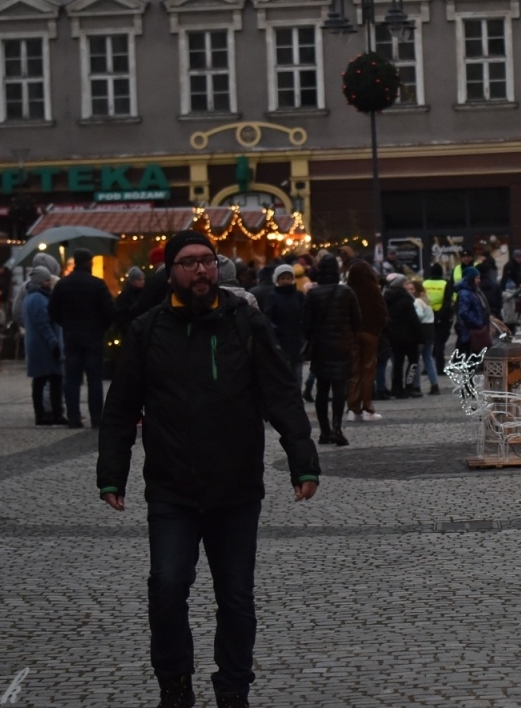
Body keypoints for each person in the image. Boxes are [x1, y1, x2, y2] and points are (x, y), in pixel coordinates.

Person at [97, 229, 319, 708]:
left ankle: (233, 686)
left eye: (207, 260)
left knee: (236, 597)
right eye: (188, 262)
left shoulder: (245, 323)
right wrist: (112, 472)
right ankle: (175, 684)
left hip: (236, 486)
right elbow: (120, 408)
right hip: (171, 487)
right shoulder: (148, 330)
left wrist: (303, 461)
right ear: (171, 271)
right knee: (167, 586)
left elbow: (280, 392)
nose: (200, 269)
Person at [49, 250, 116, 428]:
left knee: (72, 379)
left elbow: (53, 310)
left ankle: (73, 417)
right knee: (94, 380)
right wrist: (102, 327)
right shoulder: (97, 284)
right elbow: (110, 311)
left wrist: (65, 323)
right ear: (88, 263)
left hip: (71, 336)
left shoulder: (63, 285)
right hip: (93, 336)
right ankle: (96, 417)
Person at [301, 254, 358, 445]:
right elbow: (357, 321)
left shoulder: (313, 295)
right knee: (340, 388)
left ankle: (324, 430)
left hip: (321, 347)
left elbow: (306, 325)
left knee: (322, 390)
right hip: (342, 345)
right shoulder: (347, 292)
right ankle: (337, 428)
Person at [22, 264, 65, 426]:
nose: (49, 282)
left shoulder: (29, 297)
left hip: (36, 345)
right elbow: (44, 324)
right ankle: (54, 414)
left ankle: (42, 414)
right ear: (41, 282)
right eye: (47, 280)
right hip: (44, 346)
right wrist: (54, 344)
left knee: (39, 381)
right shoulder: (39, 299)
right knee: (53, 380)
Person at [345, 261, 387, 420]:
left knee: (354, 370)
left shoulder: (349, 290)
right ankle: (367, 407)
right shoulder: (373, 289)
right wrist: (377, 329)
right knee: (368, 370)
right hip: (370, 333)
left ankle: (352, 408)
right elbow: (382, 311)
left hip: (354, 334)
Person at [261, 265, 306, 391]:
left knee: (297, 374)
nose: (286, 281)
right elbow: (268, 318)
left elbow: (305, 315)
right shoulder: (272, 296)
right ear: (277, 280)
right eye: (283, 278)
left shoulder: (299, 296)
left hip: (297, 341)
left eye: (288, 278)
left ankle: (297, 400)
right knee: (284, 375)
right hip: (281, 342)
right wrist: (276, 333)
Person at [383, 273, 424, 397]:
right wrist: (420, 335)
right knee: (413, 361)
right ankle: (409, 386)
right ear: (401, 285)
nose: (408, 286)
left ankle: (397, 388)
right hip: (409, 336)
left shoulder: (387, 298)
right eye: (406, 283)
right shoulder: (406, 300)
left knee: (398, 362)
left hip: (394, 336)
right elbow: (413, 319)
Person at [409, 279, 440, 395]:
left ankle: (417, 386)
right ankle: (434, 384)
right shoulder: (426, 300)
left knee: (416, 359)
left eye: (412, 289)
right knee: (428, 358)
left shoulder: (417, 302)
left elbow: (419, 315)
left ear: (417, 290)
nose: (410, 291)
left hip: (422, 331)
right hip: (430, 330)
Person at [423, 263, 452, 379]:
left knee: (428, 343)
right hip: (441, 317)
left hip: (427, 316)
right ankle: (439, 368)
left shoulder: (425, 283)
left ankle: (427, 367)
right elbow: (447, 302)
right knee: (440, 343)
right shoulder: (445, 284)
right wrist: (440, 316)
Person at [115, 266, 147, 334]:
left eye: (143, 279)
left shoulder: (144, 293)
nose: (142, 282)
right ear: (132, 281)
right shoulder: (125, 295)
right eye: (139, 280)